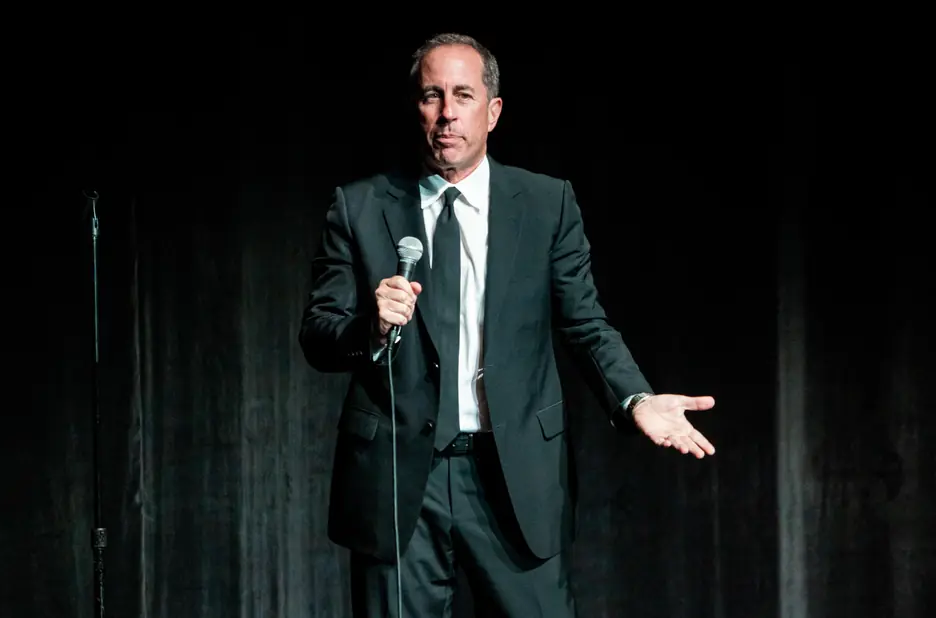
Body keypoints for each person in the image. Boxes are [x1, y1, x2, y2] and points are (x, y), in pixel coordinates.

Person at [299, 32, 717, 618]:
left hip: (512, 476)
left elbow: (586, 325)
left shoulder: (546, 205)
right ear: (414, 107)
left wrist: (635, 398)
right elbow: (319, 332)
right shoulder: (360, 205)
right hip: (398, 486)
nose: (447, 113)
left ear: (492, 111)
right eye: (431, 96)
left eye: (463, 96)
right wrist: (368, 327)